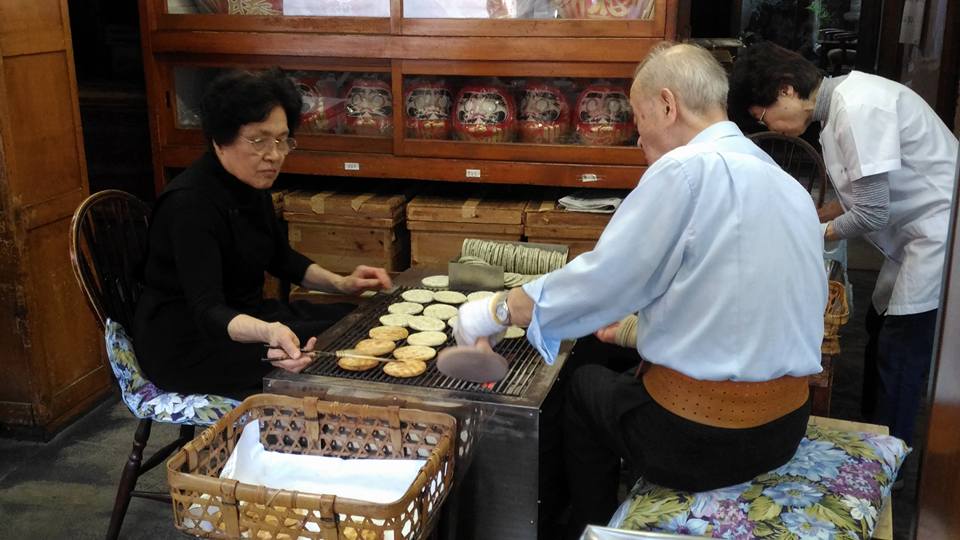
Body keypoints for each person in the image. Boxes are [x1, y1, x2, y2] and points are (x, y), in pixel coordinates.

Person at [453, 43, 827, 532]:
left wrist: (494, 310)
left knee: (584, 387)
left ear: (668, 105)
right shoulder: (784, 182)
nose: (637, 137)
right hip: (783, 429)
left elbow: (602, 280)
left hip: (705, 441)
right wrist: (636, 326)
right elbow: (730, 291)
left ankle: (590, 526)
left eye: (638, 118)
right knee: (610, 358)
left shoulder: (686, 169)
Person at [728, 42, 959, 447]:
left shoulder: (858, 108)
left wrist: (806, 234)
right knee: (879, 323)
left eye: (762, 116)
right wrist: (808, 215)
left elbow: (870, 213)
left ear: (786, 90)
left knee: (902, 347)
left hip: (939, 228)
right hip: (914, 231)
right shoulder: (836, 112)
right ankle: (874, 427)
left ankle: (891, 450)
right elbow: (854, 197)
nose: (771, 127)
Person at [132, 68, 392, 399]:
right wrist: (268, 332)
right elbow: (207, 311)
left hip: (247, 320)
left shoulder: (250, 186)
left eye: (282, 140)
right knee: (335, 347)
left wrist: (342, 284)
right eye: (259, 140)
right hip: (188, 344)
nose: (274, 155)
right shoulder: (189, 205)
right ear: (220, 140)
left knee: (361, 320)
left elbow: (281, 259)